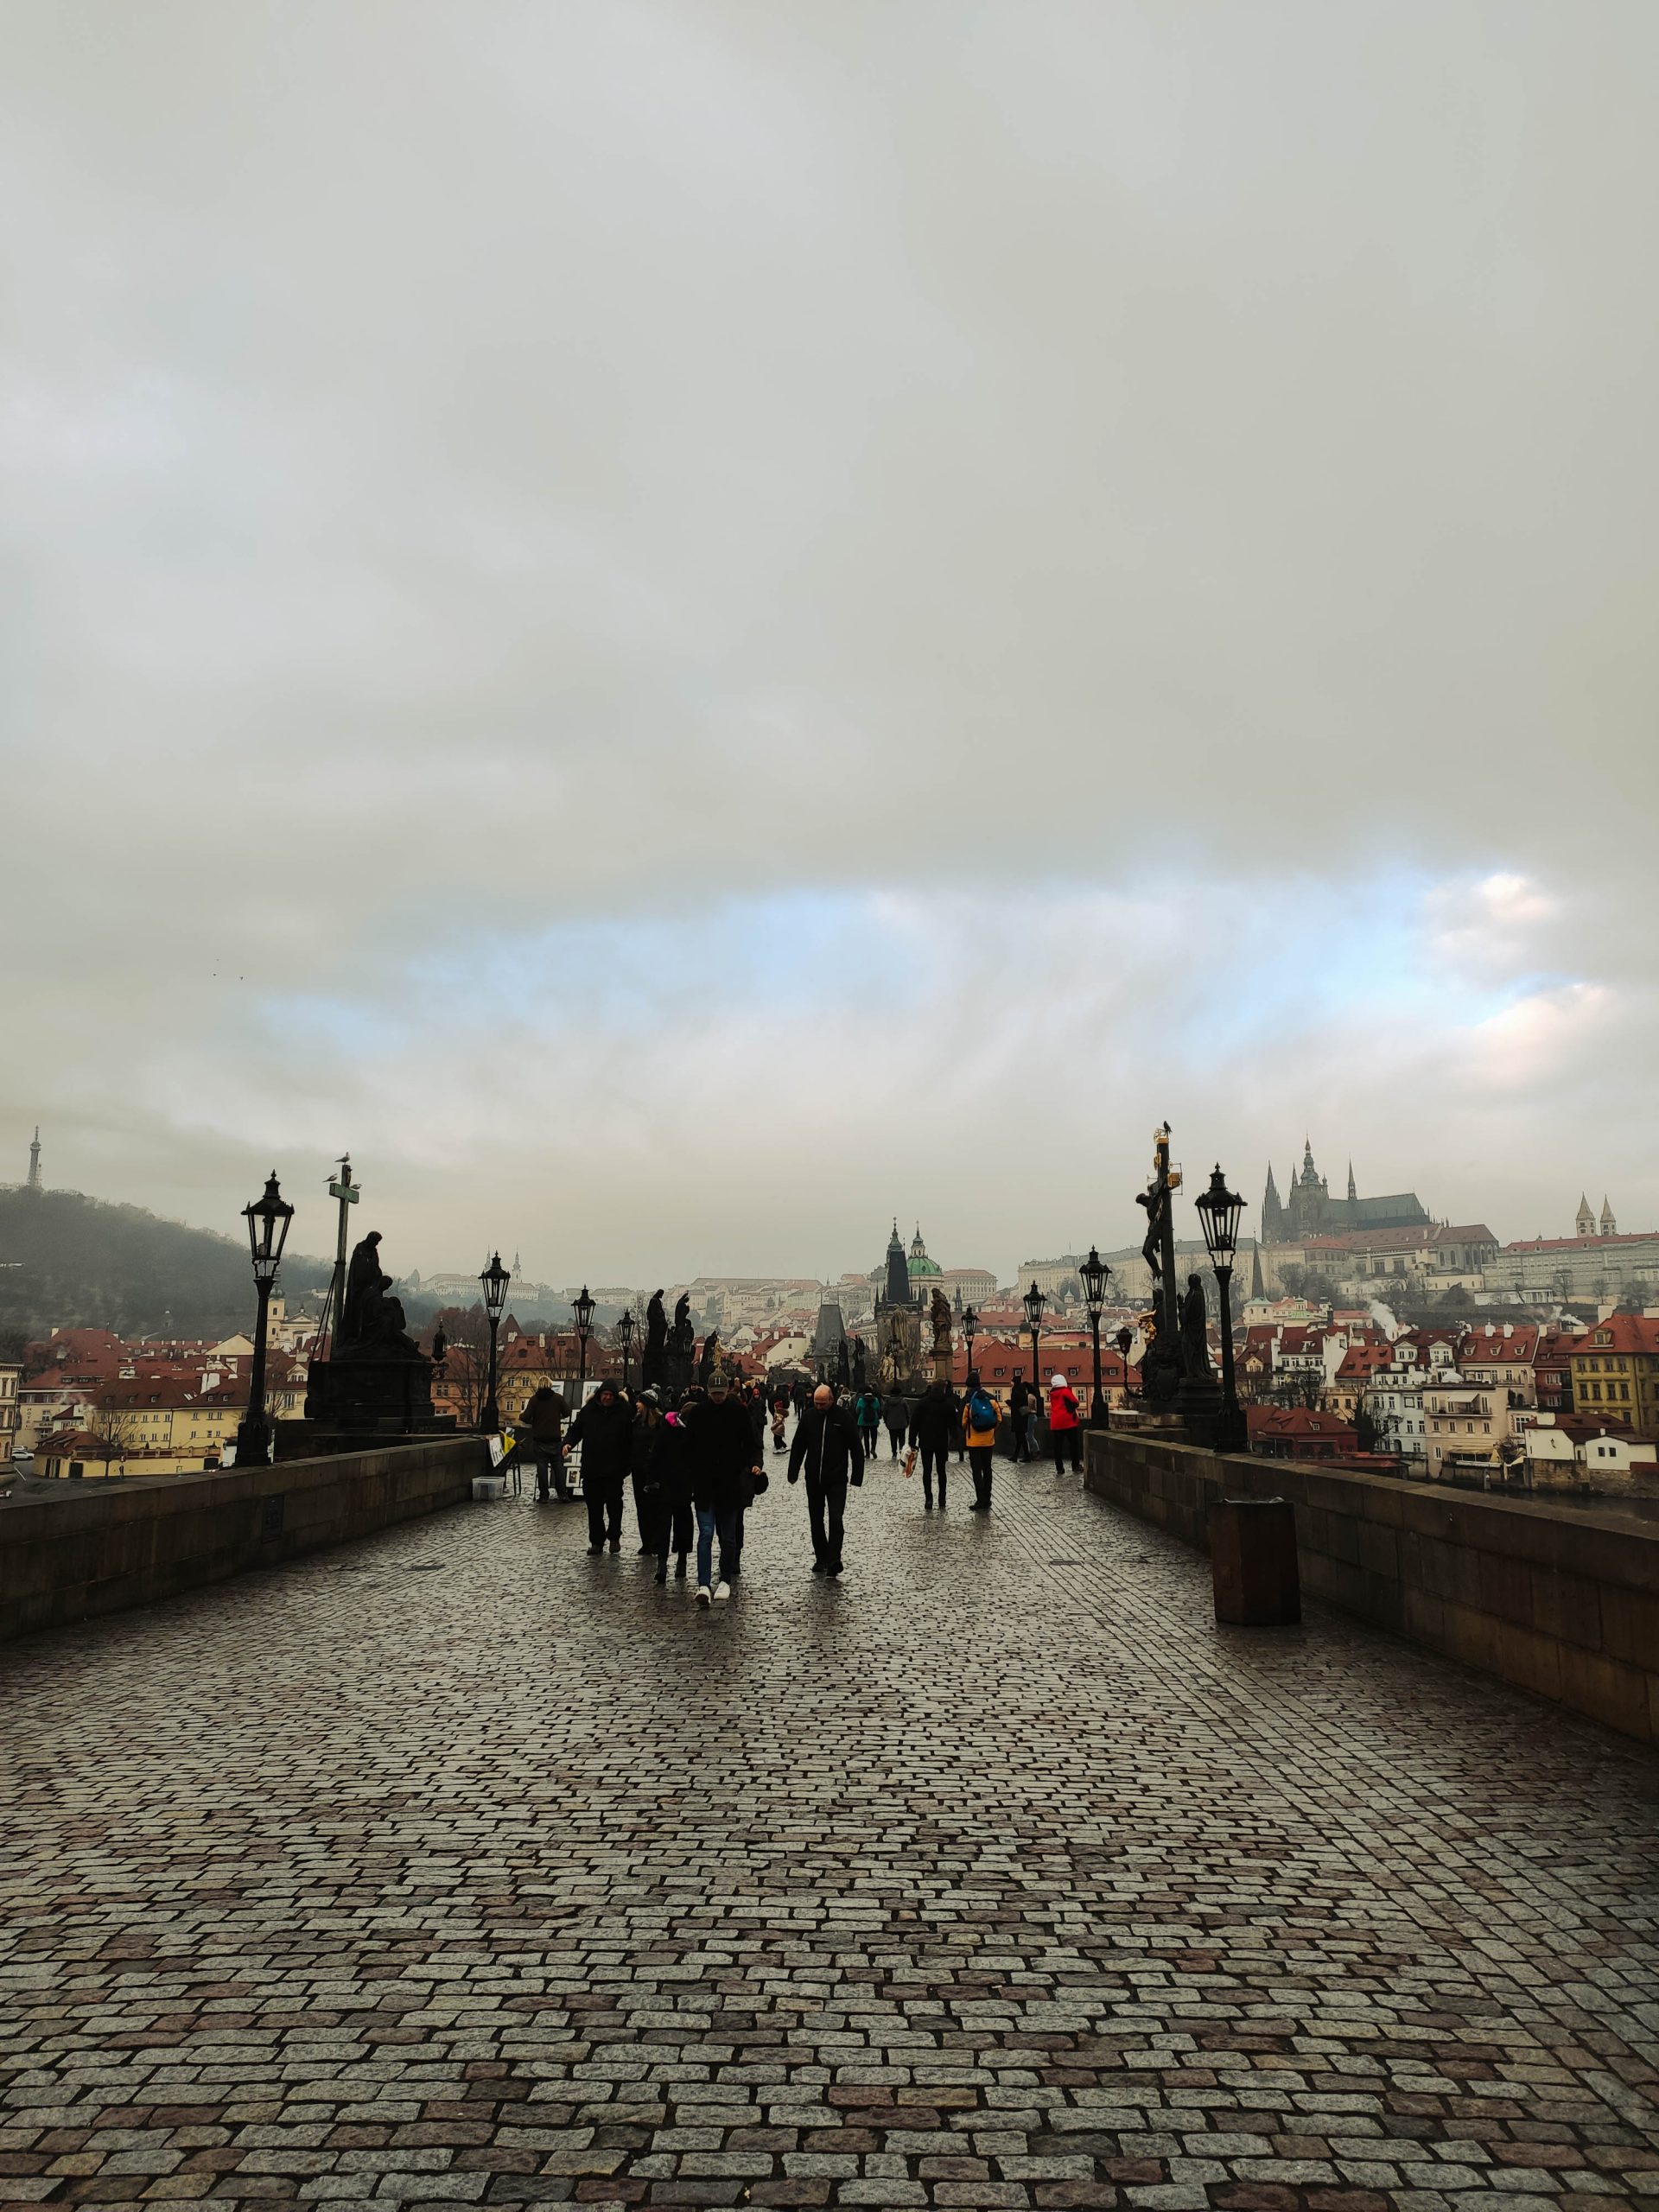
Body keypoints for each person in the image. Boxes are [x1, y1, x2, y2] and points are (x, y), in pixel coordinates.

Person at [679, 1373, 763, 1602]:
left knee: (728, 1537)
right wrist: (688, 1478)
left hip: (730, 1485)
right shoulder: (698, 1413)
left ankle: (725, 1579)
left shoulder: (738, 1413)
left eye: (721, 1394)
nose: (718, 1397)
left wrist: (755, 1464)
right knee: (706, 1534)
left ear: (727, 1392)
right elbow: (687, 1449)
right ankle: (704, 1584)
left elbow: (753, 1443)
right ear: (708, 1392)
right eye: (714, 1394)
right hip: (704, 1485)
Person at [787, 1382, 864, 1576]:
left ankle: (834, 1558)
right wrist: (793, 1471)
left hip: (837, 1478)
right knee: (816, 1520)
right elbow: (798, 1445)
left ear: (831, 1400)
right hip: (813, 1478)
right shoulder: (809, 1416)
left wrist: (857, 1476)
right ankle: (821, 1558)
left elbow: (856, 1447)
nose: (819, 1407)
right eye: (816, 1403)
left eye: (822, 1403)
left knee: (836, 1519)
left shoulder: (844, 1418)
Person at [566, 1380, 633, 1554]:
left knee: (614, 1504)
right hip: (592, 1466)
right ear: (599, 1395)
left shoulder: (624, 1411)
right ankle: (596, 1541)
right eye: (605, 1395)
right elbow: (575, 1430)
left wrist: (629, 1461)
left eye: (610, 1395)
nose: (607, 1398)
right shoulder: (588, 1410)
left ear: (615, 1397)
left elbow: (632, 1436)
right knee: (594, 1507)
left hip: (614, 1467)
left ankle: (614, 1536)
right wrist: (567, 1444)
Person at [633, 1392, 693, 1583]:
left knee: (679, 1524)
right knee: (665, 1524)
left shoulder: (685, 1432)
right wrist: (652, 1480)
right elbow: (656, 1455)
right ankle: (663, 1562)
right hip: (668, 1484)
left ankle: (680, 1560)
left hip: (680, 1484)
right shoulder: (669, 1430)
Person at [907, 1381, 957, 1510]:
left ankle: (928, 1499)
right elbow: (953, 1426)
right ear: (943, 1389)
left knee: (927, 1471)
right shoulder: (948, 1405)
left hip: (926, 1442)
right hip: (941, 1443)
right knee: (942, 1471)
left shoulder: (922, 1404)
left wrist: (912, 1440)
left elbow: (914, 1424)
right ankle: (942, 1499)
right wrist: (954, 1439)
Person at [522, 1382, 571, 1501]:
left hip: (540, 1439)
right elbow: (567, 1412)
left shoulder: (534, 1400)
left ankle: (544, 1495)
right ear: (550, 1385)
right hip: (555, 1438)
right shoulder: (558, 1398)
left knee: (542, 1467)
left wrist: (532, 1420)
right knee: (558, 1467)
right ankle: (562, 1494)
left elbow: (525, 1417)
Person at [962, 1370, 999, 1511]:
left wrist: (967, 1431)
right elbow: (999, 1419)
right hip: (989, 1440)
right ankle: (987, 1498)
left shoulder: (967, 1400)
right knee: (987, 1469)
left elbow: (964, 1422)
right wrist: (992, 1431)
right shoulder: (991, 1398)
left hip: (973, 1441)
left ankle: (980, 1500)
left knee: (977, 1470)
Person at [1048, 1370, 1082, 1473]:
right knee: (1073, 1445)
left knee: (1058, 1447)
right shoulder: (1065, 1391)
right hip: (1068, 1421)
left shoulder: (1052, 1393)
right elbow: (1076, 1402)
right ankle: (1075, 1465)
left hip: (1056, 1422)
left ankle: (1059, 1468)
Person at [854, 1385, 882, 1459]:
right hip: (874, 1421)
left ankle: (867, 1454)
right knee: (874, 1437)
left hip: (863, 1421)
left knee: (866, 1437)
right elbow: (879, 1409)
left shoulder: (860, 1400)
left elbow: (857, 1410)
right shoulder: (875, 1400)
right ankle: (873, 1449)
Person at [1007, 1370, 1030, 1460]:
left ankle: (1026, 1455)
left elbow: (1015, 1402)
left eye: (1012, 1382)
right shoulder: (1022, 1390)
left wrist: (1009, 1402)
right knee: (1020, 1437)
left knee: (1020, 1437)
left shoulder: (1016, 1391)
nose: (1011, 1383)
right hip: (1022, 1416)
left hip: (1018, 1417)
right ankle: (1017, 1456)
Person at [881, 1391, 909, 1459]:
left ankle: (894, 1453)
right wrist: (907, 1422)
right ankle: (901, 1451)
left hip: (891, 1424)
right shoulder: (903, 1402)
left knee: (893, 1439)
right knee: (902, 1438)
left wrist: (886, 1421)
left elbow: (885, 1413)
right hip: (902, 1423)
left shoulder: (888, 1402)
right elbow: (907, 1412)